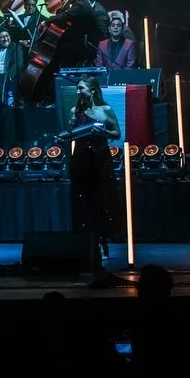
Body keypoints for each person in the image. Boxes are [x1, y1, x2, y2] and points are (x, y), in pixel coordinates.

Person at [66, 76, 121, 263]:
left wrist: (103, 132)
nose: (78, 92)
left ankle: (102, 239)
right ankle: (85, 241)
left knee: (101, 198)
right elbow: (70, 133)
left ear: (92, 90)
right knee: (83, 199)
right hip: (81, 158)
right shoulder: (75, 110)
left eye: (81, 88)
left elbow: (117, 133)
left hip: (100, 158)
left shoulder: (105, 110)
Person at [0, 26, 26, 103]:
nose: (6, 39)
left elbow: (18, 65)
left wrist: (6, 79)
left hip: (10, 81)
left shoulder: (16, 48)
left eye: (7, 36)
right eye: (2, 37)